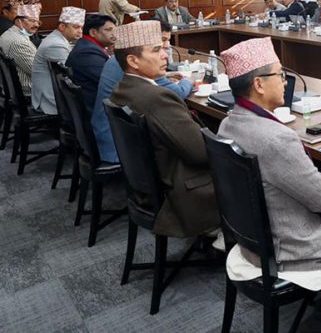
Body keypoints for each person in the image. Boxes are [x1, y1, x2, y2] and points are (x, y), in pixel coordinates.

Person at [217, 37, 321, 273]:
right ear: (259, 84)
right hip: (296, 250)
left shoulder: (226, 124)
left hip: (251, 244)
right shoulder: (277, 139)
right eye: (280, 75)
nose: (285, 82)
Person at [108, 20, 219, 237]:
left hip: (151, 184)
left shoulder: (123, 88)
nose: (165, 56)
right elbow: (201, 154)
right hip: (184, 192)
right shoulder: (156, 97)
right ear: (133, 61)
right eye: (156, 50)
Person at [93, 21, 194, 163]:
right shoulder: (154, 89)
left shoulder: (117, 60)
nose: (165, 53)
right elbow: (178, 93)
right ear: (133, 60)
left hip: (108, 137)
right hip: (120, 149)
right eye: (156, 49)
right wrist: (189, 80)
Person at [31, 6, 84, 114]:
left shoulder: (56, 39)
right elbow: (73, 74)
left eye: (81, 28)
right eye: (76, 27)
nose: (80, 31)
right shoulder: (55, 45)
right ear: (62, 26)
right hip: (51, 100)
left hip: (54, 94)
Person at [66, 14, 116, 117]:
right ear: (93, 32)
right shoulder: (87, 52)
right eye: (108, 30)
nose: (114, 34)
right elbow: (112, 81)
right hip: (99, 109)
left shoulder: (87, 45)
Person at [0, 0, 41, 91]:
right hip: (30, 90)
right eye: (32, 21)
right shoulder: (19, 43)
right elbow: (38, 72)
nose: (37, 25)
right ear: (19, 21)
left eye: (38, 22)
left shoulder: (9, 33)